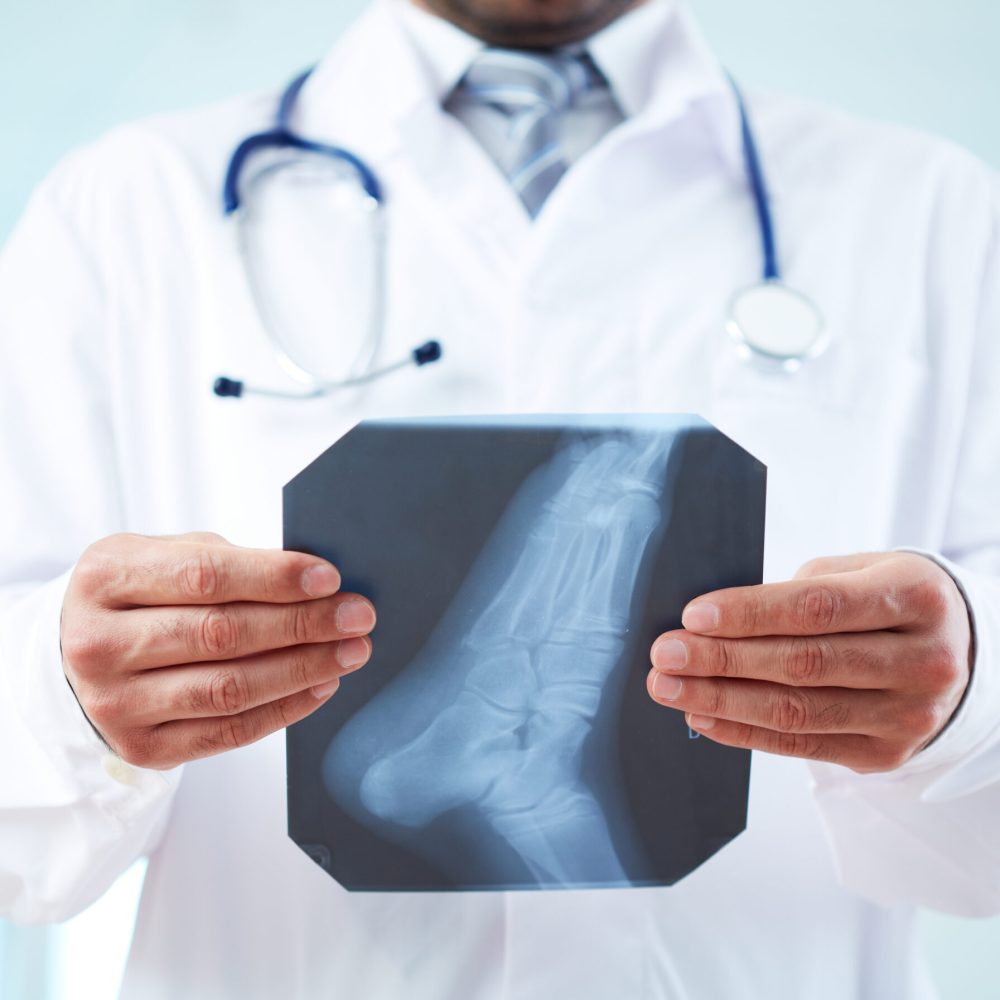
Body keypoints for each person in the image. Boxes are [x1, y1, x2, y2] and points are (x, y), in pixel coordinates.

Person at [1, 0, 998, 996]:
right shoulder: (125, 209)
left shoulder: (931, 214)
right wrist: (62, 688)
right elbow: (18, 851)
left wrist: (968, 691)